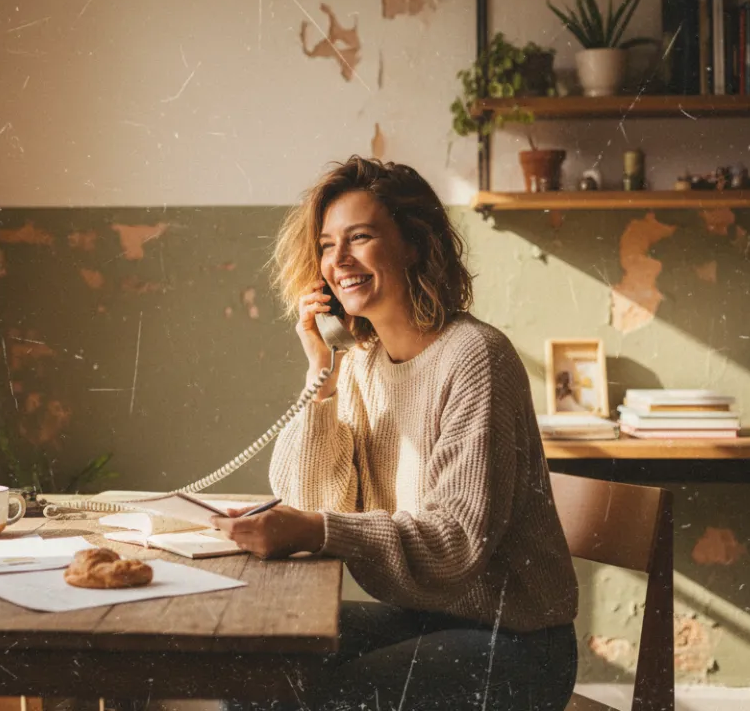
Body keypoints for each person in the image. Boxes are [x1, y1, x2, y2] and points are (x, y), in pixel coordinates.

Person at [211, 156, 579, 711]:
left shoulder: (476, 357)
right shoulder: (359, 364)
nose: (338, 262)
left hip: (520, 645)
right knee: (257, 664)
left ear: (413, 244)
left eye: (359, 238)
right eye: (328, 244)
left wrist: (314, 529)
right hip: (427, 618)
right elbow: (312, 500)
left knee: (319, 698)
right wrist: (322, 374)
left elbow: (454, 543)